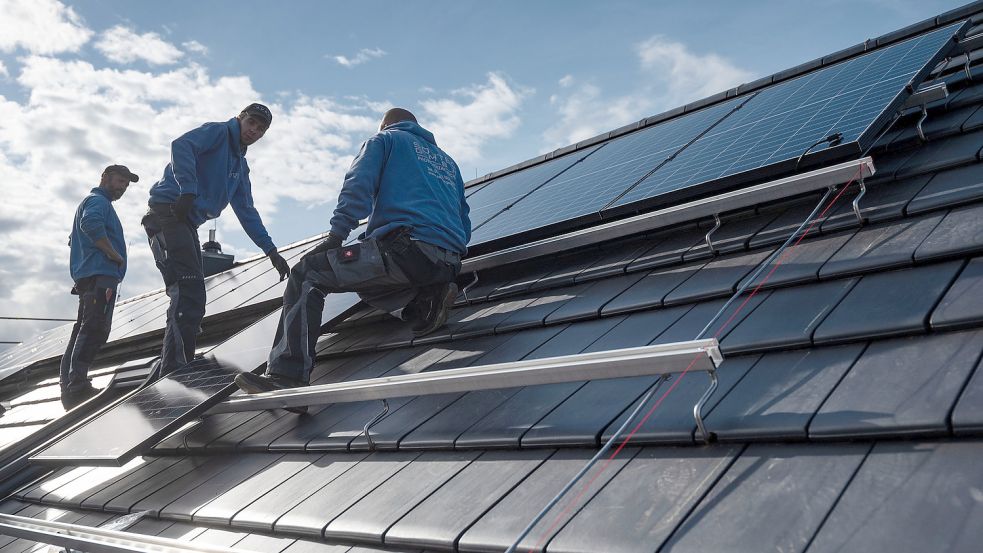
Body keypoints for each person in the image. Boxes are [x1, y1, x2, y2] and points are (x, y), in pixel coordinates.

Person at [235, 108, 470, 407]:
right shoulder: (448, 163)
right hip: (448, 262)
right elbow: (464, 218)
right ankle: (425, 301)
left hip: (407, 250)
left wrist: (336, 237)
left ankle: (287, 376)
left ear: (386, 124)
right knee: (365, 280)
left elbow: (358, 184)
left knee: (307, 274)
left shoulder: (384, 140)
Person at [142, 103, 291, 375]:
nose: (254, 131)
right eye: (251, 123)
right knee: (188, 291)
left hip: (185, 223)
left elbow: (246, 211)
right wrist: (187, 189)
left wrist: (271, 251)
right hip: (169, 213)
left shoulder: (239, 166)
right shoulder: (218, 132)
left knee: (190, 293)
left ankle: (170, 365)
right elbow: (181, 145)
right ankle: (176, 368)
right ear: (240, 118)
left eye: (260, 129)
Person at [61, 164, 138, 408]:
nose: (123, 187)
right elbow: (91, 225)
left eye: (126, 184)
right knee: (94, 328)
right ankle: (78, 387)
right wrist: (114, 255)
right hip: (100, 274)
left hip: (89, 276)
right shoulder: (98, 202)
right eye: (120, 181)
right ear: (105, 177)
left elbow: (77, 236)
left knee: (82, 330)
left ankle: (70, 385)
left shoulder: (91, 202)